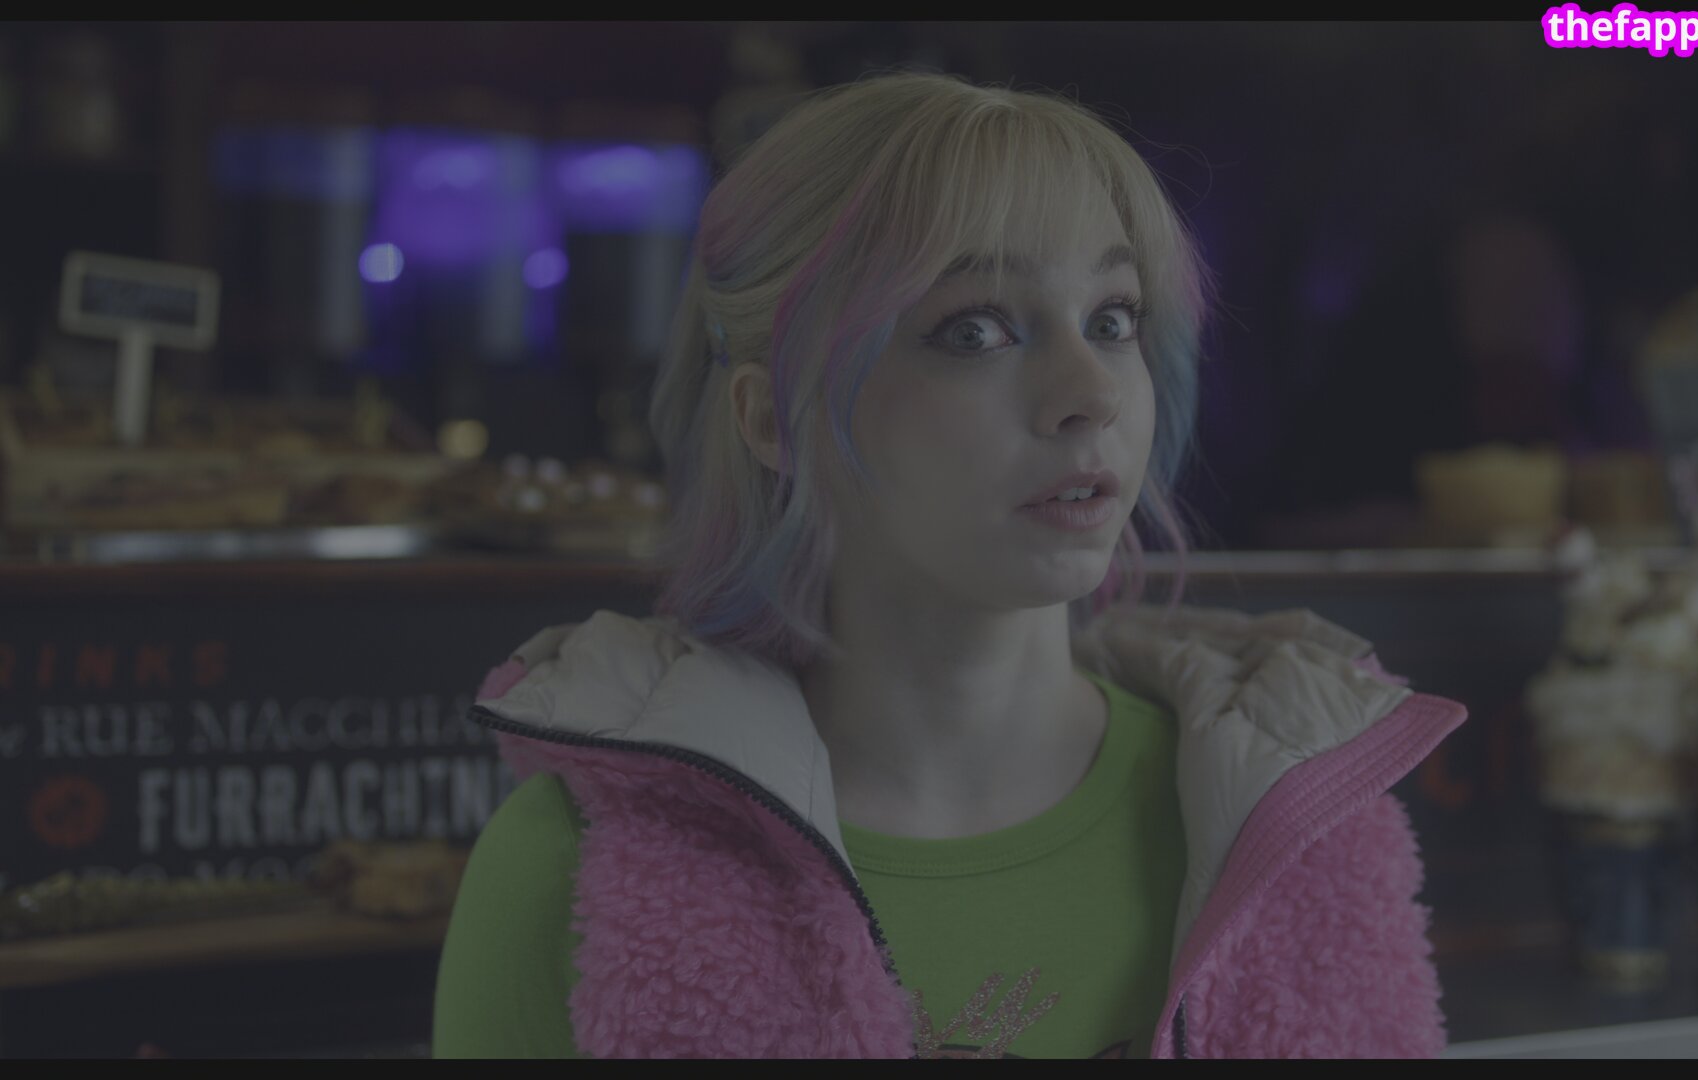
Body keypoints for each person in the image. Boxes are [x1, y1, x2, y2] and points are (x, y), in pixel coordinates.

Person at [432, 70, 1468, 1059]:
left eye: (1112, 320)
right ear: (775, 419)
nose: (1092, 393)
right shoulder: (574, 872)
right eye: (975, 329)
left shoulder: (1305, 826)